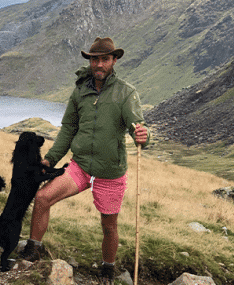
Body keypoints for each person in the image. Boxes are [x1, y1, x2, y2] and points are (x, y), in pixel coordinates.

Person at [18, 37, 150, 284]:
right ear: (90, 61)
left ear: (114, 61)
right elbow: (68, 128)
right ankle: (33, 250)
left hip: (110, 171)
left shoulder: (126, 93)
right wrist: (50, 159)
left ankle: (107, 269)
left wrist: (144, 135)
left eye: (105, 59)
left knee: (108, 224)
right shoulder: (80, 90)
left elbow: (137, 127)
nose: (99, 64)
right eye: (95, 59)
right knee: (43, 197)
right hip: (80, 166)